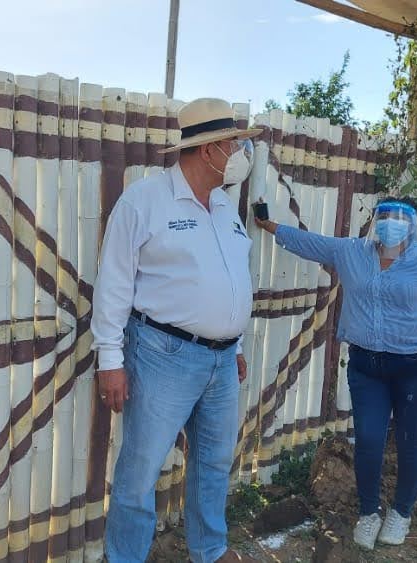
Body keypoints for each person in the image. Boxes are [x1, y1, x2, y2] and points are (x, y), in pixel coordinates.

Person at [92, 98, 259, 563]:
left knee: (213, 462)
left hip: (222, 361)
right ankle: (125, 557)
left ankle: (210, 550)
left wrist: (235, 343)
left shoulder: (224, 206)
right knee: (141, 470)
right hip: (162, 354)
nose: (240, 154)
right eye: (234, 145)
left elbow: (232, 278)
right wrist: (110, 360)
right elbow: (113, 283)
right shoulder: (144, 201)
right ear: (208, 151)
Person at [255, 198, 417, 550]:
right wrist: (269, 225)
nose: (390, 224)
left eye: (398, 218)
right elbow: (310, 243)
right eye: (384, 216)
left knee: (410, 438)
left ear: (413, 224)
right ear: (375, 221)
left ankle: (401, 513)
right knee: (367, 438)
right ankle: (368, 513)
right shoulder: (351, 252)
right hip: (368, 367)